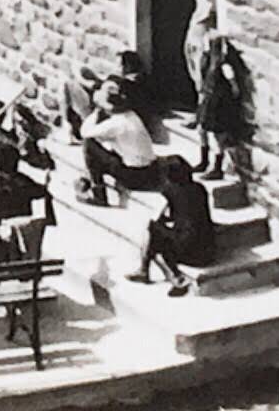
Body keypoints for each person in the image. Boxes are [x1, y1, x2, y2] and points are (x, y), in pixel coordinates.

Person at [77, 52, 165, 206]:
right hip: (149, 169)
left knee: (89, 145)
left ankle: (98, 193)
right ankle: (89, 179)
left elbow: (85, 132)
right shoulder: (130, 115)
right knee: (105, 149)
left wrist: (97, 111)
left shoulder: (116, 123)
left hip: (135, 176)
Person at [136, 154, 219, 294]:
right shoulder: (200, 188)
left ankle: (155, 272)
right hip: (209, 249)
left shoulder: (170, 191)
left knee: (152, 231)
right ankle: (154, 272)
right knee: (162, 238)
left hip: (189, 251)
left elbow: (160, 218)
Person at [195, 34, 254, 187]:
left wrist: (230, 96)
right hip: (209, 99)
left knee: (217, 135)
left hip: (218, 102)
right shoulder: (208, 60)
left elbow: (233, 85)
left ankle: (217, 167)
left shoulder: (224, 65)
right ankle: (204, 161)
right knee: (201, 130)